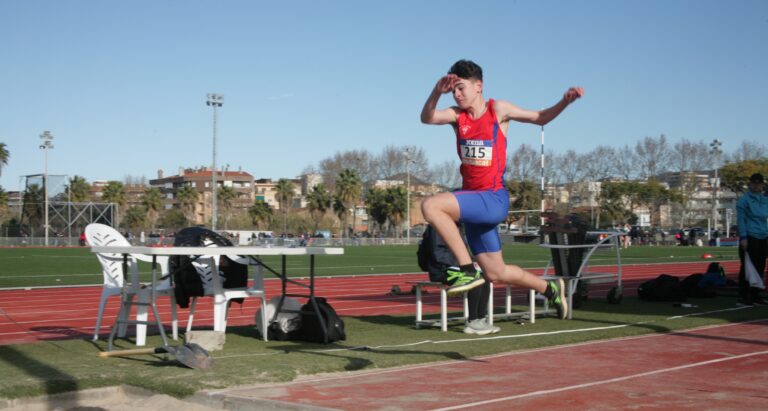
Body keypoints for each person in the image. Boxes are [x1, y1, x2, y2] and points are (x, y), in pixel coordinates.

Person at [420, 59, 583, 319]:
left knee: (431, 205)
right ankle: (551, 288)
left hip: (493, 198)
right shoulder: (456, 116)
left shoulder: (499, 110)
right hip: (473, 204)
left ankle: (466, 270)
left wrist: (565, 101)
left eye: (461, 88)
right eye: (453, 90)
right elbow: (427, 118)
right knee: (496, 272)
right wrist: (436, 92)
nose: (457, 94)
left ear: (478, 86)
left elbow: (540, 118)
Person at [736, 173, 768, 306]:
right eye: (754, 183)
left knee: (760, 267)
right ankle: (742, 296)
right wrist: (743, 237)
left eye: (759, 183)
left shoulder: (765, 199)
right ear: (749, 184)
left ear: (762, 185)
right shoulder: (744, 200)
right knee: (747, 268)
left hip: (763, 236)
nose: (756, 185)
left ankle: (756, 295)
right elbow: (741, 220)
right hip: (749, 236)